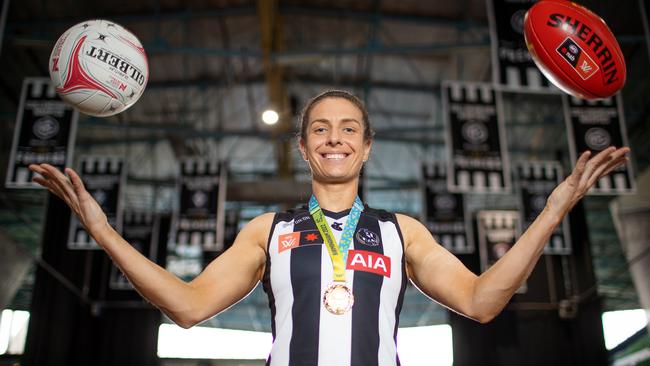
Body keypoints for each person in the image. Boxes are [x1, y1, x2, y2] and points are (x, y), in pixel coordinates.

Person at [29, 90, 630, 366]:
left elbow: (482, 300)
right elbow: (187, 308)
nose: (334, 137)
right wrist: (104, 232)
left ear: (366, 147)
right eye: (320, 128)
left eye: (348, 128)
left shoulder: (405, 232)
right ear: (304, 145)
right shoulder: (267, 229)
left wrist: (552, 211)